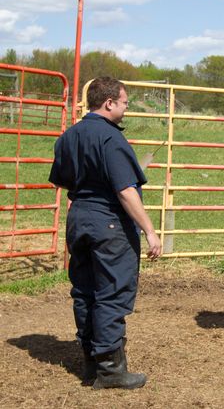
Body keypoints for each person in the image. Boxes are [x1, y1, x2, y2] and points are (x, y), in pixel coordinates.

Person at [49, 76, 162, 390]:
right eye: (124, 102)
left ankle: (91, 363)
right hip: (108, 221)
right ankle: (111, 371)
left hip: (79, 218)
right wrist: (149, 230)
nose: (126, 108)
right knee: (111, 292)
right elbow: (126, 191)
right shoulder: (111, 139)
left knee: (84, 291)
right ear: (109, 102)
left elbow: (61, 180)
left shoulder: (68, 136)